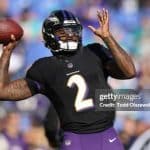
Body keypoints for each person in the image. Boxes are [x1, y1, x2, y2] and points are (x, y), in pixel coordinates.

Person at [0, 8, 136, 150]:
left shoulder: (95, 51)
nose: (70, 35)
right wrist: (7, 53)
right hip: (76, 139)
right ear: (50, 35)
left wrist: (108, 37)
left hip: (107, 135)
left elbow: (129, 71)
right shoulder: (44, 67)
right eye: (62, 32)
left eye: (73, 30)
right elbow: (2, 91)